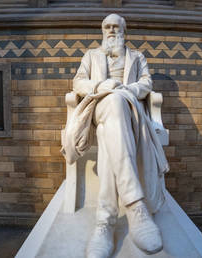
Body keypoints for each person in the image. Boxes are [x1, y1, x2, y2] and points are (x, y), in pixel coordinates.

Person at [69, 14, 169, 258]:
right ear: (102, 30)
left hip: (129, 111)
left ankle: (105, 222)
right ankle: (136, 207)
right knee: (112, 102)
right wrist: (99, 87)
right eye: (107, 27)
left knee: (108, 131)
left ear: (125, 30)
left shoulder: (137, 57)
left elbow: (146, 82)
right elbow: (77, 82)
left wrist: (129, 90)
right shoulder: (91, 55)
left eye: (116, 27)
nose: (111, 31)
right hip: (99, 106)